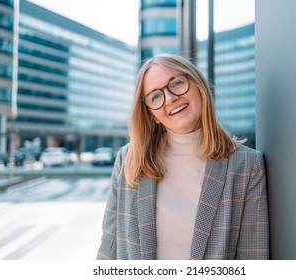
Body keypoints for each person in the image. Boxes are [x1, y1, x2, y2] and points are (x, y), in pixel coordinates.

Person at [96, 54, 269, 260]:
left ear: (198, 84)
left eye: (176, 83)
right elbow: (110, 245)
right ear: (152, 114)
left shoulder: (247, 166)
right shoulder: (129, 159)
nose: (169, 98)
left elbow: (253, 257)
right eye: (155, 97)